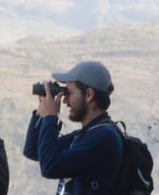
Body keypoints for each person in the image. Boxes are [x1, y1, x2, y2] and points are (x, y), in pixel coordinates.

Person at [23, 61, 123, 194]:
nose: (64, 100)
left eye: (68, 93)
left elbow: (50, 167)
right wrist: (41, 113)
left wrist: (50, 117)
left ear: (89, 94)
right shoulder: (86, 134)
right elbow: (33, 150)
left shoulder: (104, 137)